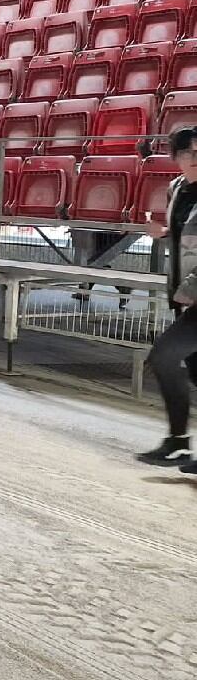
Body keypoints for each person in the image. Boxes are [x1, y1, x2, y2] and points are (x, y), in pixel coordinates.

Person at [137, 126, 197, 467]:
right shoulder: (178, 188)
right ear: (175, 157)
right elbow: (184, 235)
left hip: (193, 294)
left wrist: (189, 291)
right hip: (184, 292)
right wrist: (163, 233)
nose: (194, 158)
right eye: (187, 152)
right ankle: (179, 444)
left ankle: (178, 441)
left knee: (163, 356)